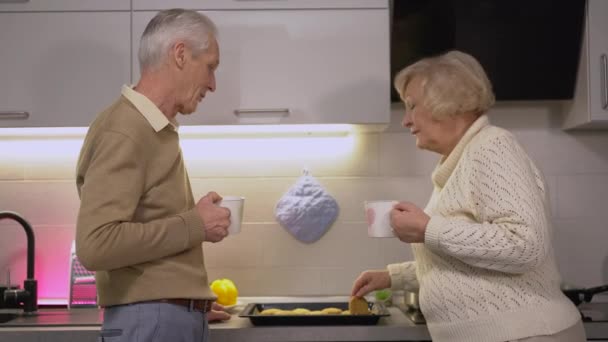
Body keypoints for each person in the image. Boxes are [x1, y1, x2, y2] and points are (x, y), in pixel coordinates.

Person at [351, 51, 585, 342]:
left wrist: (427, 229)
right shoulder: (461, 162)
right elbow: (467, 259)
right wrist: (395, 277)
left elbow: (524, 245)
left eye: (412, 106)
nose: (406, 121)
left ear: (446, 104)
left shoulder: (492, 147)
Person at [75, 9, 232, 342]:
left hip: (162, 319)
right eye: (210, 67)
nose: (213, 84)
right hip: (152, 321)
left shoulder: (152, 129)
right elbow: (95, 245)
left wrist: (192, 304)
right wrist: (196, 225)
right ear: (179, 55)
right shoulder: (126, 130)